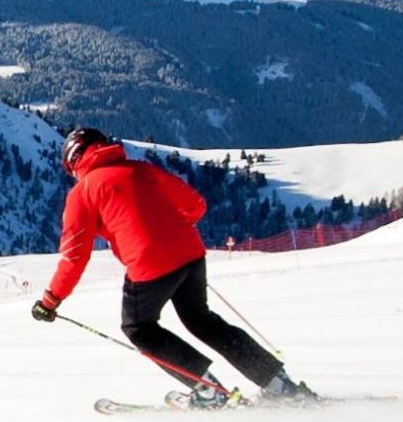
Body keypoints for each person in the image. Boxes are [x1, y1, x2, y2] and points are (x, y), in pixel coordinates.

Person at [28, 126, 308, 406]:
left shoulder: (82, 193)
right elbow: (196, 205)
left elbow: (74, 257)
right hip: (191, 254)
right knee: (203, 322)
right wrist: (168, 230)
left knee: (139, 329)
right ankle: (278, 383)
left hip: (148, 265)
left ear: (75, 160)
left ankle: (207, 391)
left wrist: (51, 301)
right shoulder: (141, 169)